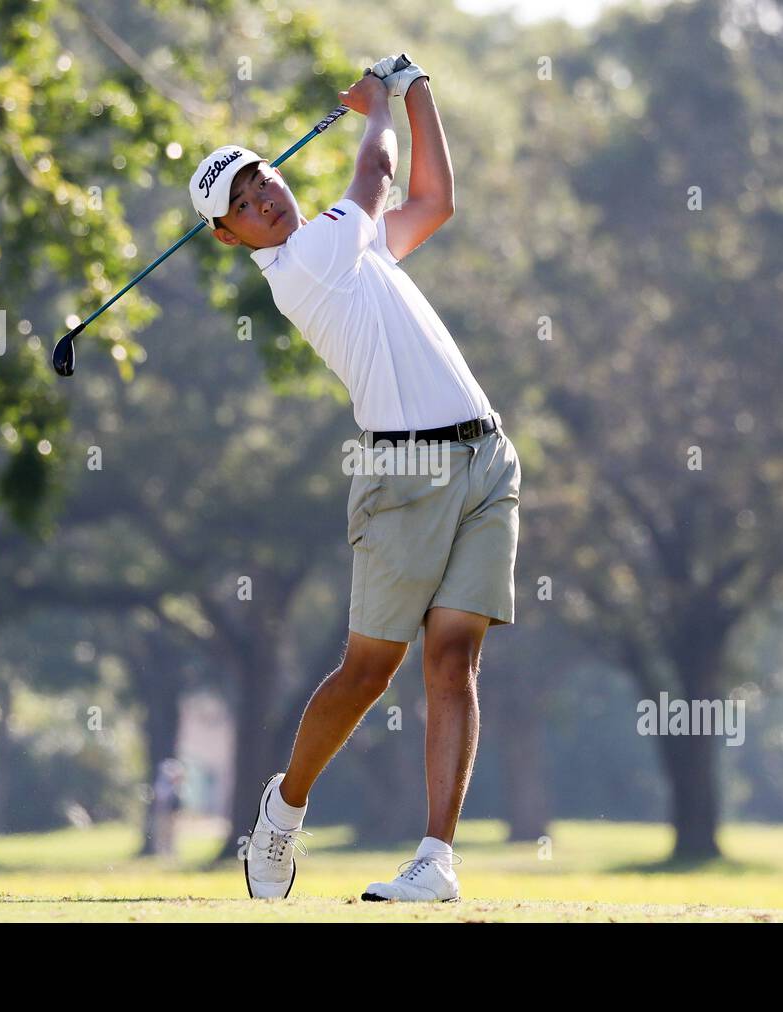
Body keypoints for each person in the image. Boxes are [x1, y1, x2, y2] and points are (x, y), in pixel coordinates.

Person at [188, 55, 521, 902]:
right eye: (245, 206)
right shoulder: (304, 268)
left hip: (486, 457)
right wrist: (377, 109)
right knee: (369, 672)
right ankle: (282, 813)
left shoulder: (347, 244)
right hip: (403, 473)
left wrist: (417, 95)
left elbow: (435, 201)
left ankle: (435, 860)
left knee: (454, 661)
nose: (267, 199)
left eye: (265, 180)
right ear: (229, 237)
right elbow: (374, 174)